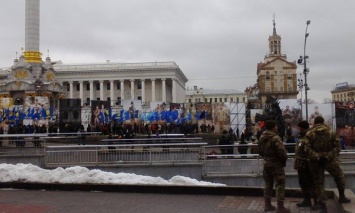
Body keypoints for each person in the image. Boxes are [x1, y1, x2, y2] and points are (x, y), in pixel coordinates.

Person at [305, 116, 351, 212]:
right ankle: (342, 197)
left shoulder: (309, 133)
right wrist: (328, 155)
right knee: (339, 176)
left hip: (315, 162)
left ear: (315, 123)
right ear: (323, 121)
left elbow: (307, 149)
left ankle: (323, 206)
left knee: (319, 183)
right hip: (330, 160)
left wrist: (317, 155)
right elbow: (338, 147)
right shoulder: (331, 132)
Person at [258, 120, 290, 213]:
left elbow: (259, 151)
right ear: (273, 127)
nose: (277, 127)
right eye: (276, 126)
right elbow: (282, 152)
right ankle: (280, 207)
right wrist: (284, 159)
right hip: (276, 165)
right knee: (280, 184)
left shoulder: (262, 137)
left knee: (268, 184)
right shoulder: (276, 138)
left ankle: (267, 205)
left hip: (266, 163)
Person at [293, 120, 316, 208]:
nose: (298, 129)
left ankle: (316, 202)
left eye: (299, 128)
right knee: (303, 183)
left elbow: (309, 151)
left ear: (302, 128)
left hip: (307, 164)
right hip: (301, 164)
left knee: (310, 183)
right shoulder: (302, 136)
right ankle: (307, 200)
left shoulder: (308, 136)